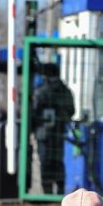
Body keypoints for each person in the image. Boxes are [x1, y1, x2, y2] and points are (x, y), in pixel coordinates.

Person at [32, 62, 76, 194]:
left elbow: (34, 112)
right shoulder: (65, 91)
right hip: (59, 132)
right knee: (58, 162)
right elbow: (71, 111)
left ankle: (47, 193)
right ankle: (60, 191)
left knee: (45, 163)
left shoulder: (41, 91)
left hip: (43, 133)